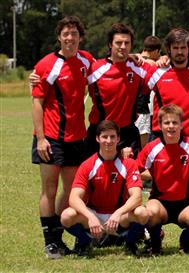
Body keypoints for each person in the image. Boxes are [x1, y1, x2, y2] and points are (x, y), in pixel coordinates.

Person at [31, 15, 95, 258]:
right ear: (59, 37)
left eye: (74, 34)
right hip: (51, 138)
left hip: (76, 138)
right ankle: (50, 242)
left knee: (70, 193)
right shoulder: (47, 65)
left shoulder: (86, 60)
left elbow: (108, 64)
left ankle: (58, 239)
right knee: (49, 189)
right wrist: (41, 139)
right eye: (66, 34)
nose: (70, 38)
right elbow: (37, 102)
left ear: (80, 37)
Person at [60, 120, 149, 256]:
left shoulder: (128, 164)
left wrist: (118, 213)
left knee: (142, 213)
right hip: (94, 214)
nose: (109, 141)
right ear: (97, 138)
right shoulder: (87, 165)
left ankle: (130, 243)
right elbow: (73, 198)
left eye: (113, 137)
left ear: (118, 139)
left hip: (120, 216)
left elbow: (137, 197)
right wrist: (90, 216)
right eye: (104, 137)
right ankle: (85, 242)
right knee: (66, 216)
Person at [136, 104, 189, 255]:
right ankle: (155, 241)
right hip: (160, 202)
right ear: (159, 125)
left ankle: (187, 240)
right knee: (149, 213)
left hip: (186, 203)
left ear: (182, 124)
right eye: (167, 123)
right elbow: (134, 172)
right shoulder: (152, 148)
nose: (171, 126)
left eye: (175, 122)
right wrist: (154, 174)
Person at [86, 23, 151, 159]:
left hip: (127, 134)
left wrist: (164, 58)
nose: (123, 46)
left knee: (131, 176)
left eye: (127, 43)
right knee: (95, 178)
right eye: (118, 43)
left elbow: (170, 68)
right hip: (99, 132)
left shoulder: (139, 68)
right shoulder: (94, 69)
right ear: (110, 44)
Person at [135, 36, 161, 148]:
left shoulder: (134, 59)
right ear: (155, 51)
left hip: (130, 110)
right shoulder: (151, 64)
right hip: (142, 109)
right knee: (143, 148)